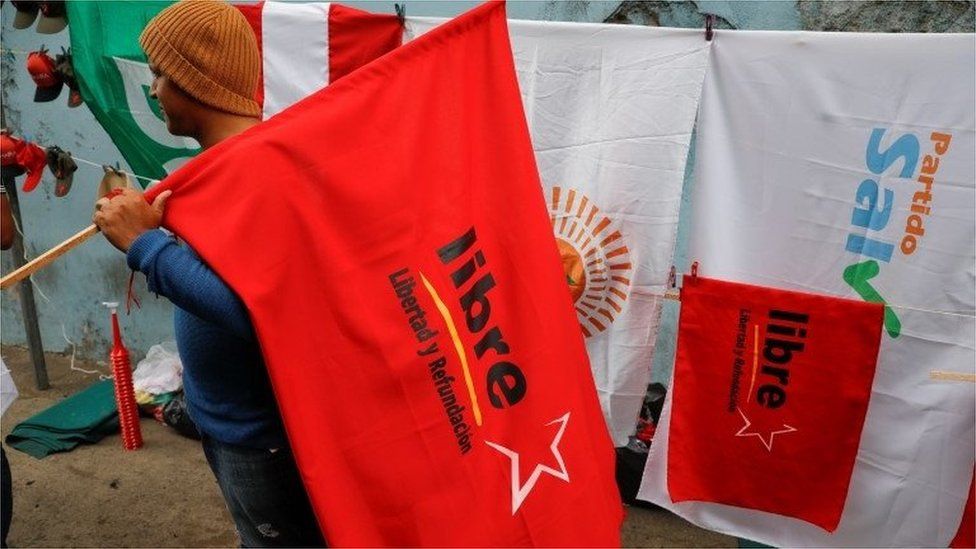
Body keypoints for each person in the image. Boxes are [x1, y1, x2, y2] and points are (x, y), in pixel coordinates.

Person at [91, 2, 325, 547]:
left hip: (263, 438)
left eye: (160, 73)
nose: (152, 89)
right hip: (229, 425)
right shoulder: (225, 170)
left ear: (194, 78)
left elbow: (263, 312)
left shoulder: (261, 173)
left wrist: (147, 246)